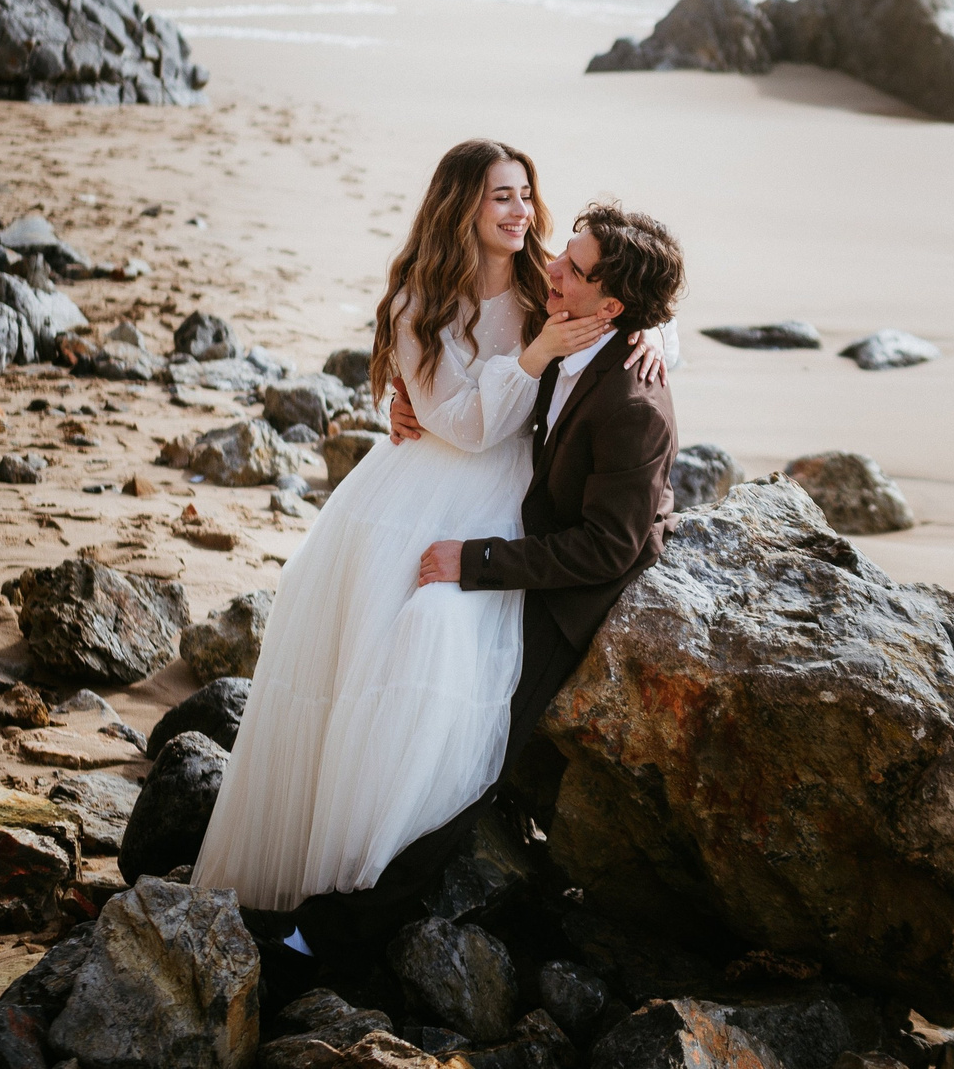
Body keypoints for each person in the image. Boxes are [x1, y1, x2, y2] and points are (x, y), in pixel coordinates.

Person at [188, 140, 671, 915]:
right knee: (374, 658)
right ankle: (329, 880)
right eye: (501, 198)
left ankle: (391, 863)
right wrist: (506, 362)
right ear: (461, 208)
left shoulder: (540, 273)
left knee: (446, 661)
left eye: (525, 195)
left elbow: (625, 301)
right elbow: (463, 423)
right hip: (431, 482)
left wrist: (655, 339)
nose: (520, 213)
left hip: (516, 489)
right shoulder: (423, 299)